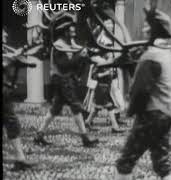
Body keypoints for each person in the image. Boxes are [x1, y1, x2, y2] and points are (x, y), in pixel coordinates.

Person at [115, 9, 171, 180]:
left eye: (146, 26)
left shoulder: (151, 55)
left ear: (153, 29)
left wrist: (130, 110)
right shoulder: (167, 54)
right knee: (162, 164)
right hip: (167, 114)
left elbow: (141, 90)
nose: (144, 30)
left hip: (151, 115)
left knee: (125, 162)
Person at [33, 18, 99, 148]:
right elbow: (64, 65)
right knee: (76, 106)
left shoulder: (68, 44)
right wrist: (80, 56)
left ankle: (39, 135)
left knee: (54, 109)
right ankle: (85, 138)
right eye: (71, 31)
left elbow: (73, 64)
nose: (74, 33)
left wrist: (83, 57)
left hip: (63, 79)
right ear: (65, 32)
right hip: (62, 79)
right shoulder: (59, 46)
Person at [2, 28, 36, 171]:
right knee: (11, 122)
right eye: (2, 33)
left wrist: (26, 50)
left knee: (12, 123)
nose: (6, 34)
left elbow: (12, 58)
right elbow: (6, 61)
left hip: (5, 92)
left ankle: (20, 159)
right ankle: (19, 160)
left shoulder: (4, 49)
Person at [83, 19, 125, 133]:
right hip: (102, 84)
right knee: (108, 105)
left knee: (98, 106)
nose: (110, 27)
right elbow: (96, 73)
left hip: (105, 83)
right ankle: (115, 127)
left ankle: (87, 122)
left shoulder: (107, 44)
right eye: (107, 25)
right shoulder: (100, 55)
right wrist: (107, 72)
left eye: (111, 25)